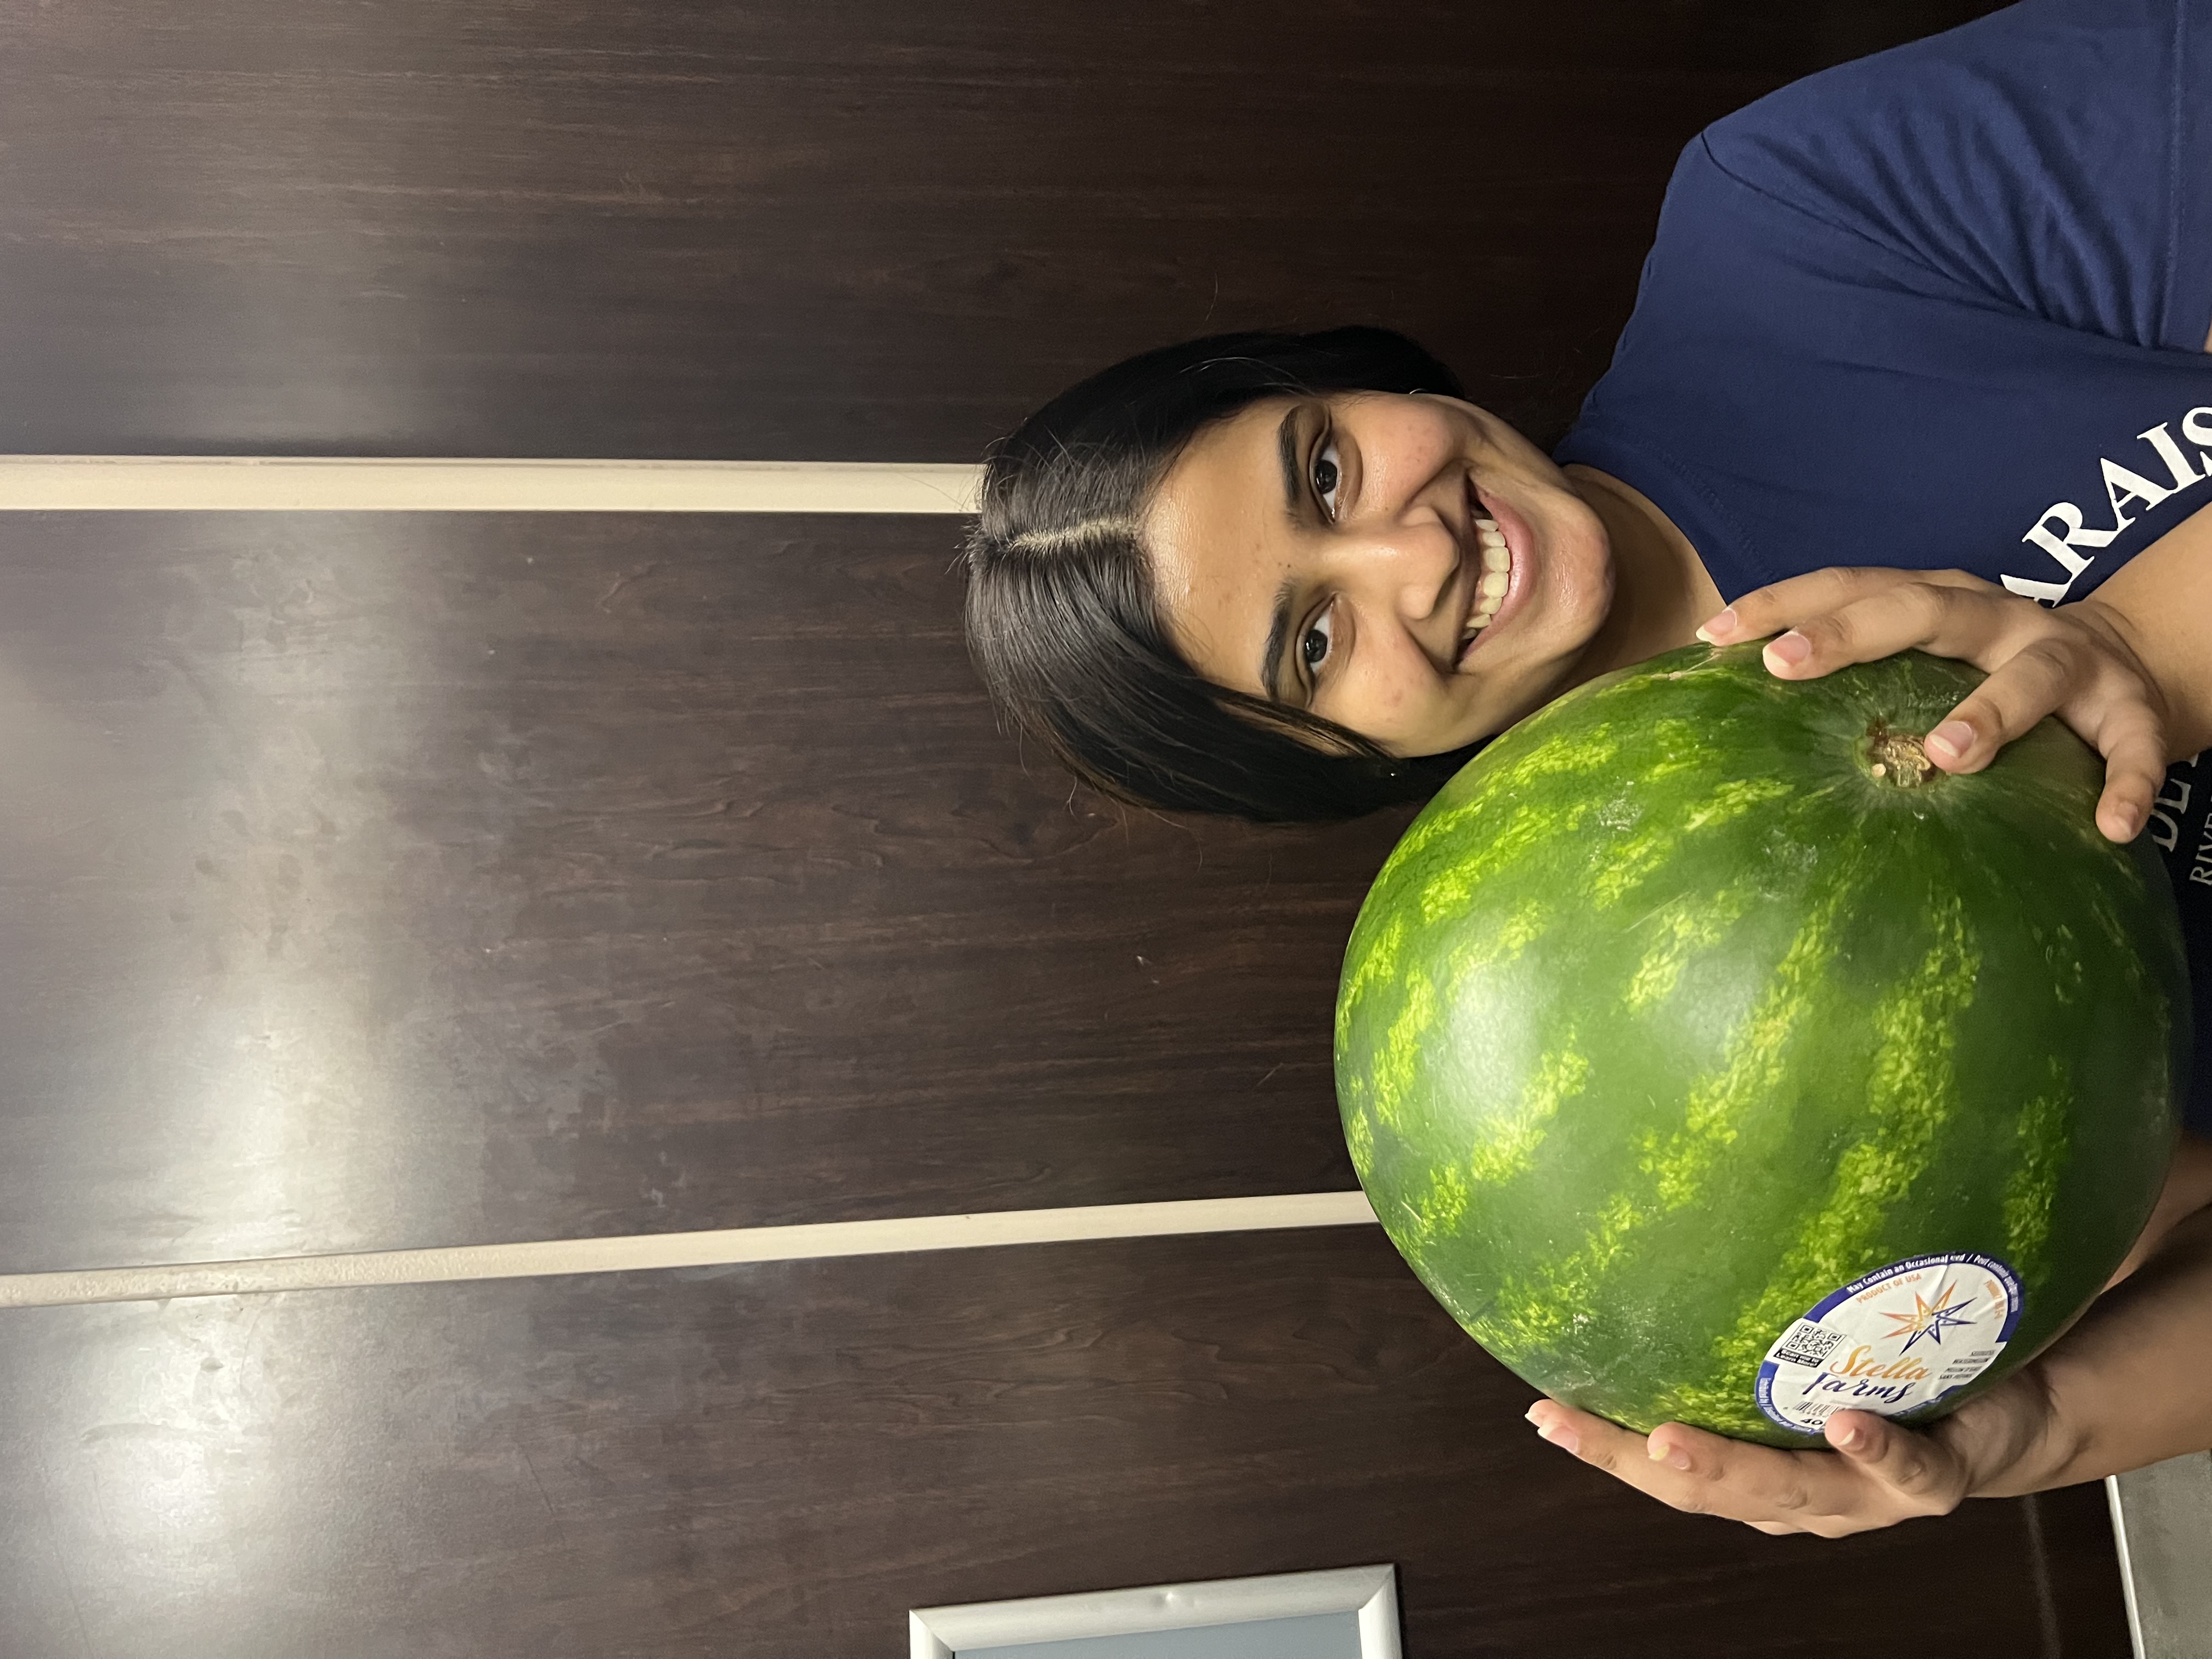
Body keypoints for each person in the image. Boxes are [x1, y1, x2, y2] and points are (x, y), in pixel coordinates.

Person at [961, 0, 2212, 1536]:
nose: (1412, 555)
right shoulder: (1555, 997)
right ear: (1341, 766)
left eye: (1326, 469)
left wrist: (2141, 652)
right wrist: (2038, 1429)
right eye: (1314, 644)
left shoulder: (1804, 224)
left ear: (1359, 376)